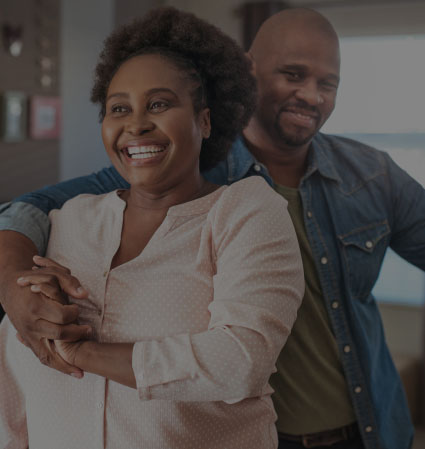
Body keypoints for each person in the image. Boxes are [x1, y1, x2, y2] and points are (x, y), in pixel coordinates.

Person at [0, 6, 423, 449]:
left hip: (362, 426)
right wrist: (12, 285)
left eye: (327, 83)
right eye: (293, 75)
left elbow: (240, 359)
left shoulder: (370, 176)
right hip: (257, 431)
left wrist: (77, 350)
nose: (312, 95)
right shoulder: (158, 171)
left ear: (202, 117)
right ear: (249, 72)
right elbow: (29, 208)